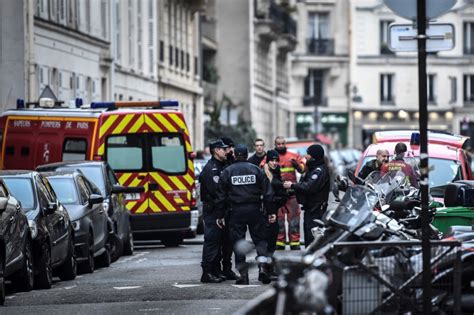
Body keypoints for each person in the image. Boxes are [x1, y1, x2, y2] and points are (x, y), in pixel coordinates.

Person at [215, 144, 271, 285]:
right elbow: (268, 193)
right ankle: (263, 268)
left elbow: (220, 196)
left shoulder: (228, 171)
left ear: (234, 155)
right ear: (246, 155)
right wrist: (270, 211)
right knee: (260, 241)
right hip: (255, 210)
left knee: (239, 242)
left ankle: (243, 275)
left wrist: (220, 215)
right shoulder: (257, 170)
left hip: (236, 211)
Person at [284, 144, 330, 247]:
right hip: (310, 209)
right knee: (309, 238)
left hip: (316, 211)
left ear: (314, 156)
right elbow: (305, 187)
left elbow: (309, 187)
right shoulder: (311, 168)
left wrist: (292, 185)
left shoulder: (319, 171)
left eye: (308, 154)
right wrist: (292, 192)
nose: (306, 156)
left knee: (313, 239)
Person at [199, 139, 232, 283]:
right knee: (212, 241)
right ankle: (206, 273)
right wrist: (220, 214)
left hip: (220, 210)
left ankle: (216, 270)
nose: (226, 151)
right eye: (224, 149)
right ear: (217, 151)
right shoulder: (211, 168)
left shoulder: (221, 165)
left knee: (220, 242)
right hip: (213, 210)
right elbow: (217, 192)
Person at [272, 136, 305, 250]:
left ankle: (295, 243)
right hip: (278, 194)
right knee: (279, 220)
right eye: (278, 144)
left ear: (285, 144)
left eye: (282, 143)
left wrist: (296, 165)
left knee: (294, 220)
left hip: (292, 194)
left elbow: (303, 169)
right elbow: (263, 167)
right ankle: (279, 243)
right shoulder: (272, 157)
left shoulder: (293, 156)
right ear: (275, 145)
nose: (280, 146)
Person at [262, 150, 288, 272]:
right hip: (267, 213)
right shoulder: (265, 174)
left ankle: (267, 268)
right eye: (272, 160)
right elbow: (268, 196)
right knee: (268, 242)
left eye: (276, 160)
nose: (274, 163)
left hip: (273, 211)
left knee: (272, 242)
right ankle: (265, 270)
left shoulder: (274, 172)